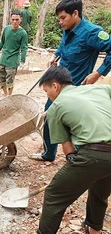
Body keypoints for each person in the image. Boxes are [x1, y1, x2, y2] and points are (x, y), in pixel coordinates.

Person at [29, 0, 111, 162]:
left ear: (75, 14)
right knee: (49, 116)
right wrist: (56, 54)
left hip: (76, 89)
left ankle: (82, 161)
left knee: (75, 123)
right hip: (58, 85)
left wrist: (98, 73)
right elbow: (63, 46)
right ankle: (48, 153)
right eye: (59, 18)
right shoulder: (68, 28)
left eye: (63, 18)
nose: (60, 22)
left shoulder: (92, 33)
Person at [36, 66, 111, 234]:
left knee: (54, 194)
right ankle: (94, 229)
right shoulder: (101, 89)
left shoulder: (55, 108)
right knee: (100, 189)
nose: (48, 96)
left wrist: (76, 166)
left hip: (94, 154)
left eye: (47, 91)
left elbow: (67, 147)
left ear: (55, 86)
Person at [0, 10, 28, 96]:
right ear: (11, 19)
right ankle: (5, 94)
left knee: (10, 80)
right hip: (3, 58)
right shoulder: (6, 29)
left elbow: (24, 48)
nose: (15, 21)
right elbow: (2, 42)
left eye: (17, 19)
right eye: (13, 19)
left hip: (13, 60)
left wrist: (22, 61)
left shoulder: (23, 33)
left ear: (20, 19)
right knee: (1, 78)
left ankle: (9, 96)